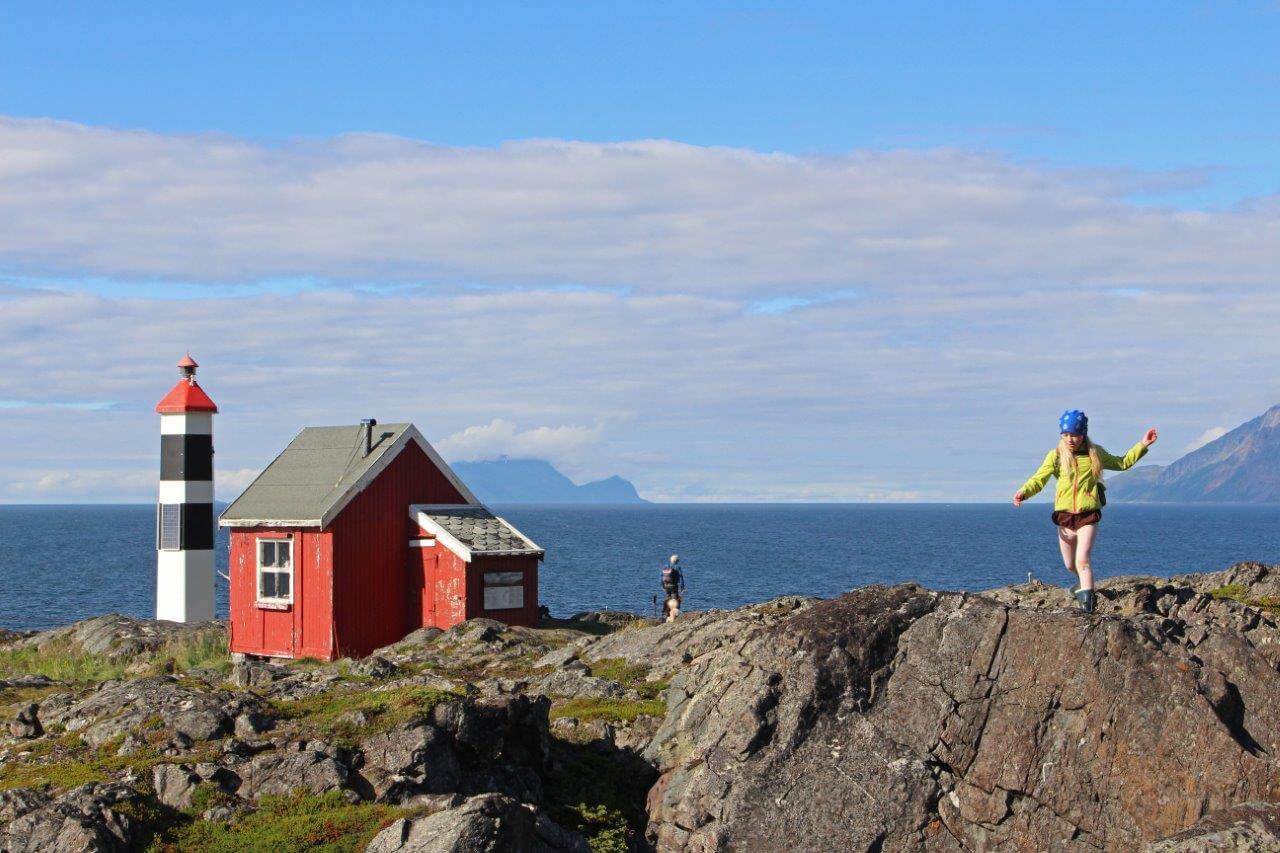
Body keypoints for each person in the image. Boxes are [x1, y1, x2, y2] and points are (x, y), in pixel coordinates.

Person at [1013, 410, 1158, 613]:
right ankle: (1082, 586)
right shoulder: (1055, 456)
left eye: (1074, 434)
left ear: (1083, 434)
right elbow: (1039, 479)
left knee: (1082, 559)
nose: (1070, 439)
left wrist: (1142, 445)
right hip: (1064, 518)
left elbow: (1122, 463)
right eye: (1065, 435)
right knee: (1069, 564)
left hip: (1087, 516)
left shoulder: (1095, 453)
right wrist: (1024, 493)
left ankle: (1088, 608)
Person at [661, 554, 686, 622]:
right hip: (673, 586)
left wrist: (663, 586)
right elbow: (681, 578)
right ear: (677, 560)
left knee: (668, 599)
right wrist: (682, 587)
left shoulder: (666, 566)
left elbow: (661, 576)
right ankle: (674, 617)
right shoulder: (677, 567)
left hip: (666, 586)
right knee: (675, 600)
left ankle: (666, 614)